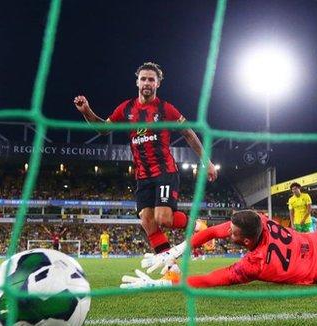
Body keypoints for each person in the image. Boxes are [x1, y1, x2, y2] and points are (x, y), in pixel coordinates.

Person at [74, 62, 217, 257]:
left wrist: (206, 162)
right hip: (143, 175)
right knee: (147, 220)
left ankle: (197, 225)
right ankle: (169, 264)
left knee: (163, 218)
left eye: (151, 79)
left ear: (158, 84)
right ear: (137, 82)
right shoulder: (126, 109)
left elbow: (189, 134)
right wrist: (87, 112)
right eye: (143, 79)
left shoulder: (166, 110)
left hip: (165, 171)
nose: (147, 83)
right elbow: (103, 129)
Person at [121, 210, 317, 289]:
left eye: (232, 232)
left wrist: (166, 281)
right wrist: (175, 251)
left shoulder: (254, 264)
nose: (226, 232)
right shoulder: (260, 219)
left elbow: (212, 278)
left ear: (244, 241)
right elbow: (214, 231)